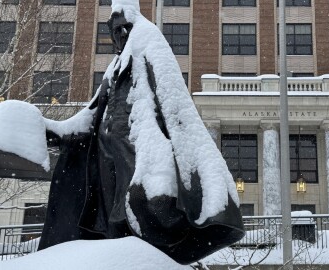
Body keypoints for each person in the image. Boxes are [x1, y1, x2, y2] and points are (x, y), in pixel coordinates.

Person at [36, 0, 244, 264]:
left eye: (124, 27)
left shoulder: (148, 41)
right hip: (106, 158)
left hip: (137, 152)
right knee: (113, 223)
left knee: (142, 212)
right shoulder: (113, 67)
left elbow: (172, 97)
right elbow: (88, 117)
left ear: (134, 23)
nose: (120, 34)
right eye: (115, 29)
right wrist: (51, 129)